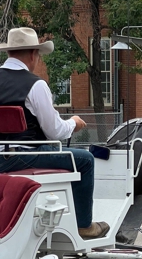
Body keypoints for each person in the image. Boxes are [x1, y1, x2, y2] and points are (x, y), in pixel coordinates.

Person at [0, 27, 109, 239]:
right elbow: (54, 131)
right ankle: (84, 225)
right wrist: (73, 123)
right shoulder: (35, 85)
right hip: (24, 156)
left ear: (9, 53)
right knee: (85, 160)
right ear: (33, 54)